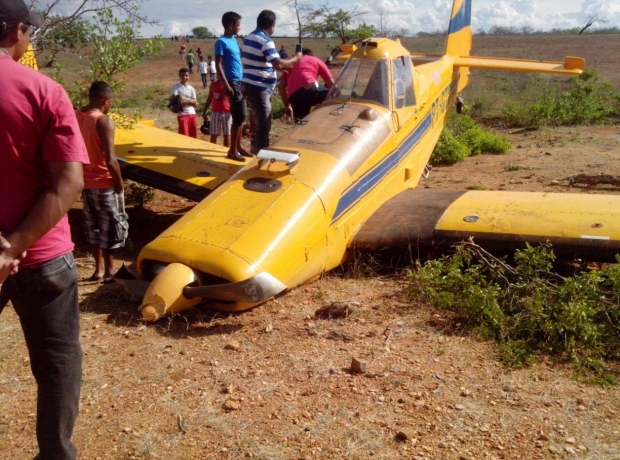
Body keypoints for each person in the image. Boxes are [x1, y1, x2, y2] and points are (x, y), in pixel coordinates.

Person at [0, 1, 90, 458]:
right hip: (42, 256)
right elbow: (68, 181)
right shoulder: (44, 90)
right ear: (17, 31)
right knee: (58, 365)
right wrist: (11, 248)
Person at [75, 81, 128, 283]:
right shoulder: (103, 121)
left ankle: (97, 270)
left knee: (93, 227)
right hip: (104, 183)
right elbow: (111, 160)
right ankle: (109, 271)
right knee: (110, 227)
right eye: (111, 101)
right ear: (105, 99)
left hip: (85, 182)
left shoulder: (78, 117)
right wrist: (119, 183)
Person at [241, 10, 301, 153]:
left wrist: (276, 69)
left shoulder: (249, 37)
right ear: (272, 25)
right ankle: (262, 156)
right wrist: (296, 58)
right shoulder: (266, 41)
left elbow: (259, 62)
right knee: (264, 125)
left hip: (248, 84)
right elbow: (279, 64)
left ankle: (256, 149)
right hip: (258, 88)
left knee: (257, 120)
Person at [215, 12, 250, 162]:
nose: (239, 28)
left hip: (240, 82)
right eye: (238, 25)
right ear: (231, 26)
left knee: (241, 117)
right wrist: (226, 84)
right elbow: (218, 64)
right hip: (232, 83)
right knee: (239, 116)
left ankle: (239, 147)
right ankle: (232, 150)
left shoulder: (234, 41)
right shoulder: (221, 42)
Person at [278, 47, 335, 121]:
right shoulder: (316, 60)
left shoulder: (291, 64)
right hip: (312, 88)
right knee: (330, 101)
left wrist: (287, 106)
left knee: (300, 123)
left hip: (294, 96)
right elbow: (332, 85)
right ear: (311, 55)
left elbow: (281, 86)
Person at [202, 78, 232, 147]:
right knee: (213, 134)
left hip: (227, 112)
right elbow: (209, 98)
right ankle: (212, 149)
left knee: (226, 135)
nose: (219, 75)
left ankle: (226, 151)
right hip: (215, 112)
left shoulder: (228, 84)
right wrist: (204, 111)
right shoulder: (213, 85)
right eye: (218, 73)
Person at [171, 67, 198, 138]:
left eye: (186, 75)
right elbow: (176, 98)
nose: (184, 77)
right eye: (182, 75)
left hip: (192, 113)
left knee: (193, 135)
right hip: (182, 114)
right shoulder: (175, 86)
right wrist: (190, 101)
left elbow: (195, 101)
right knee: (184, 135)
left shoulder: (191, 88)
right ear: (179, 76)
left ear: (189, 76)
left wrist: (183, 99)